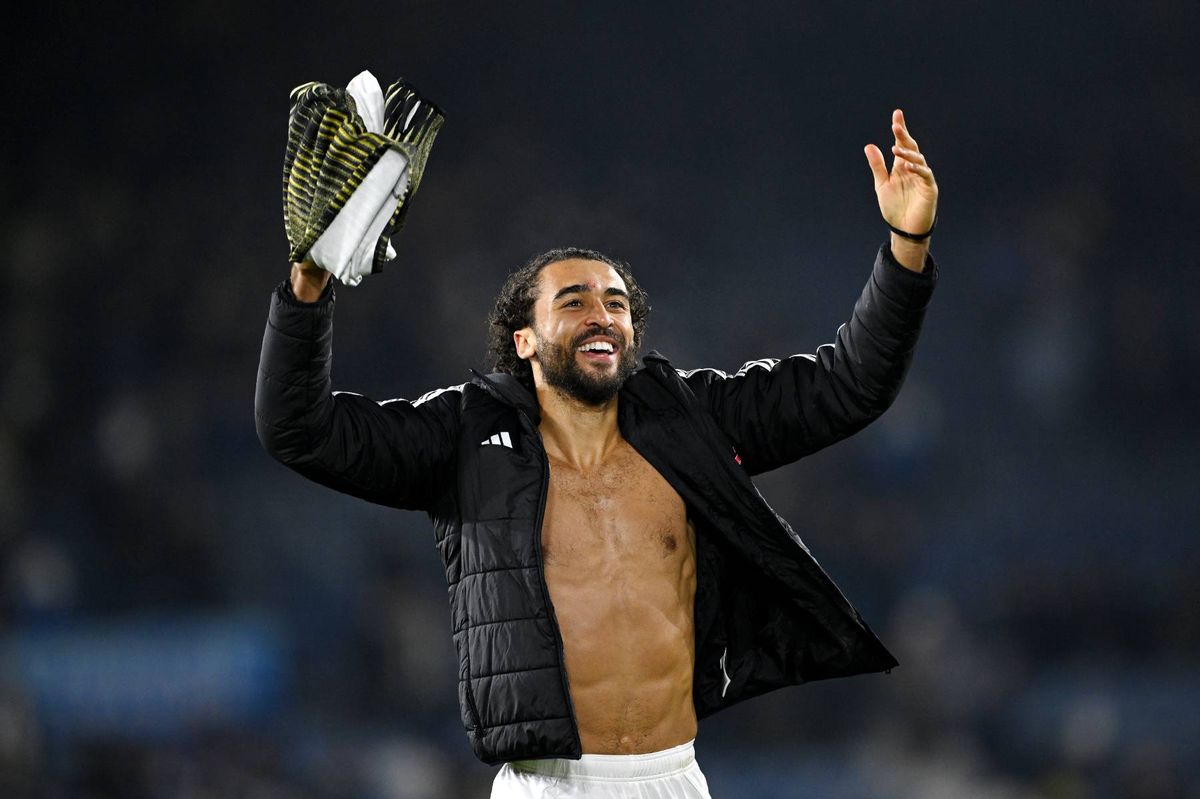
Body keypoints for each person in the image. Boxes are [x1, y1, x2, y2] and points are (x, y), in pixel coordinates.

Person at [255, 108, 939, 798]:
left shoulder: (689, 419)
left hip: (674, 777)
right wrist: (308, 286)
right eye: (574, 302)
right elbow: (299, 430)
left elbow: (848, 385)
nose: (602, 315)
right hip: (549, 785)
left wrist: (907, 244)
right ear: (523, 340)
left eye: (616, 303)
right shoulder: (463, 435)